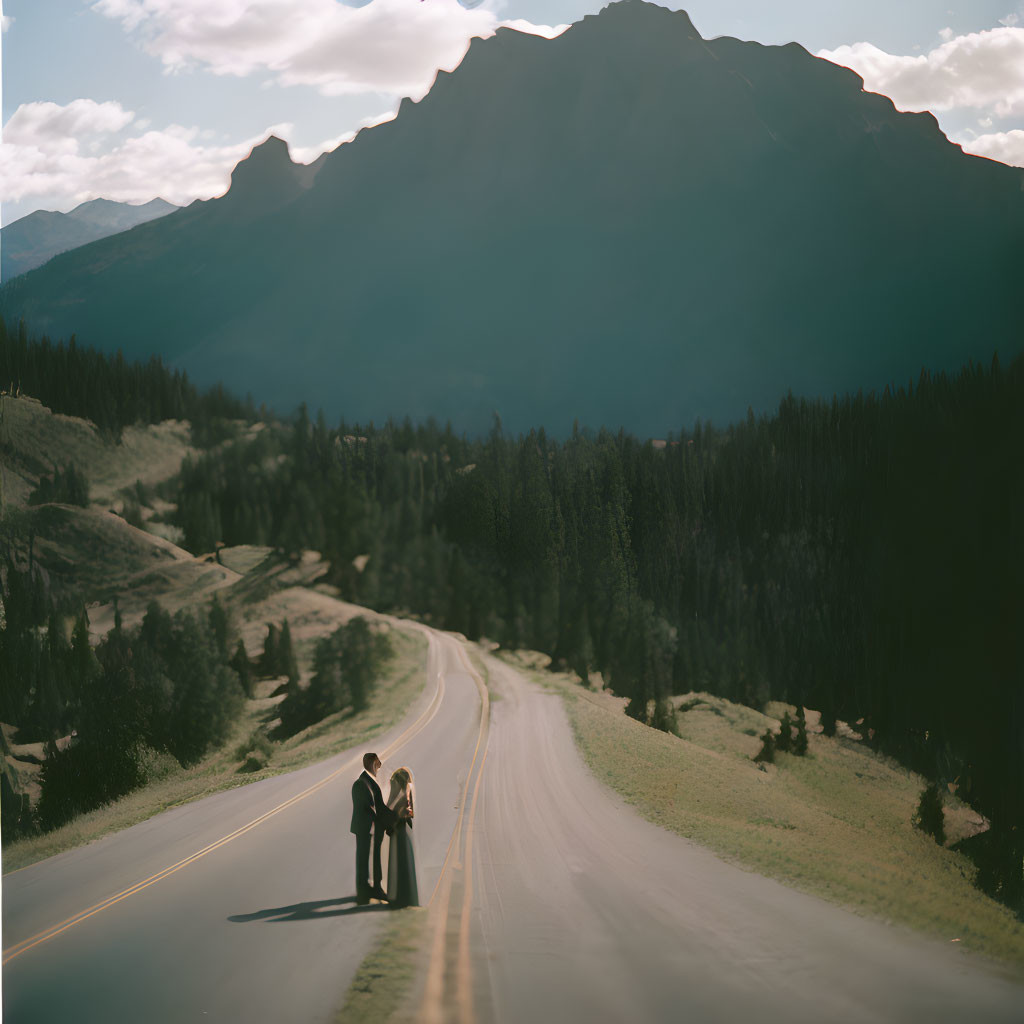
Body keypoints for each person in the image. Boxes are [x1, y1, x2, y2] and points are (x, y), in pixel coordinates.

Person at [351, 752, 394, 904]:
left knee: (363, 859)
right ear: (373, 764)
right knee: (372, 859)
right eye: (377, 765)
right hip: (368, 828)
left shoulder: (363, 781)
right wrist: (394, 819)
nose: (378, 768)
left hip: (363, 827)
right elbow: (379, 808)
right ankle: (375, 889)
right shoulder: (366, 783)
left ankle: (363, 892)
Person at [385, 767, 419, 908]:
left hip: (399, 823)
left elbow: (392, 800)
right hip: (405, 823)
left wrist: (386, 813)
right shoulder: (409, 788)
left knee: (399, 858)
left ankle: (399, 895)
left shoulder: (403, 791)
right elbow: (411, 810)